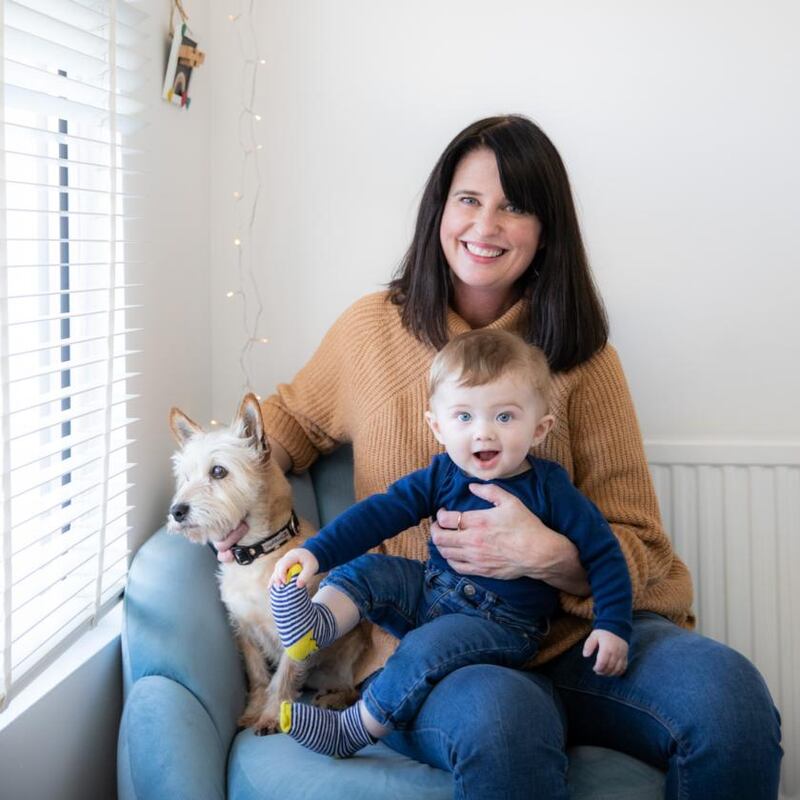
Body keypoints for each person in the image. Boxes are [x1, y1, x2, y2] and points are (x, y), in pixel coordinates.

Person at [219, 115, 782, 798]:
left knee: (731, 701)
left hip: (580, 641)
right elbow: (285, 425)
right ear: (439, 210)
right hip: (432, 646)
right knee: (504, 724)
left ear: (545, 229)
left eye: (514, 206)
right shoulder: (372, 330)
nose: (485, 226)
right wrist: (223, 502)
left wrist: (549, 556)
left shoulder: (584, 355)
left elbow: (643, 544)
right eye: (469, 199)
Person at [268, 329, 633, 757]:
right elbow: (378, 514)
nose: (484, 433)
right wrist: (314, 553)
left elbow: (605, 554)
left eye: (505, 417)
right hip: (431, 590)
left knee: (424, 648)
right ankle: (316, 627)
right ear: (437, 427)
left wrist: (612, 625)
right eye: (464, 417)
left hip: (502, 624)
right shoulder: (442, 474)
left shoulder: (550, 487)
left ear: (540, 429)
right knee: (366, 570)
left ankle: (356, 728)